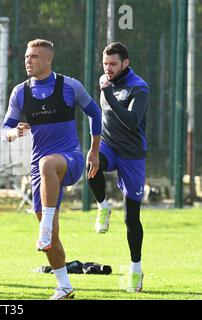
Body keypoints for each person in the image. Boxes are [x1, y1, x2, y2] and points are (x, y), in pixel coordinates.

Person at [0, 39, 101, 300]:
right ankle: (64, 286)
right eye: (26, 56)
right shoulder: (20, 92)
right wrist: (14, 132)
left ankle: (44, 226)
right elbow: (4, 131)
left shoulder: (69, 86)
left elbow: (95, 113)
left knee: (48, 163)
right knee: (51, 239)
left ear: (48, 60)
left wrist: (94, 149)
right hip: (41, 172)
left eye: (34, 56)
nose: (27, 61)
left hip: (70, 159)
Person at [88, 42, 149, 293]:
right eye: (105, 64)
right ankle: (103, 207)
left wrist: (109, 94)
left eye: (113, 63)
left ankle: (136, 268)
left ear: (126, 62)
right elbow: (99, 115)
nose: (108, 68)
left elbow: (133, 122)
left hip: (132, 155)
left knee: (131, 218)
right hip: (109, 148)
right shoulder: (105, 82)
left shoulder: (139, 87)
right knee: (92, 164)